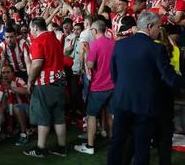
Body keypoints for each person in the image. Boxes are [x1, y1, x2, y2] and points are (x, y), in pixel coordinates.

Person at [107, 11, 185, 165]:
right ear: (150, 27)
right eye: (158, 26)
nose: (159, 30)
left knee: (117, 143)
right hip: (144, 106)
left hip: (122, 101)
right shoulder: (156, 49)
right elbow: (170, 79)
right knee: (141, 147)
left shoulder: (120, 44)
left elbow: (114, 74)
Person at [23, 17, 66, 158]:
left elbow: (37, 64)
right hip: (59, 82)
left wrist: (29, 81)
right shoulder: (55, 39)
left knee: (43, 117)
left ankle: (40, 149)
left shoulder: (38, 41)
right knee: (59, 117)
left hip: (45, 84)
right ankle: (61, 147)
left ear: (35, 27)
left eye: (31, 28)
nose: (31, 31)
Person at [74, 20, 115, 155]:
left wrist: (87, 53)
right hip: (113, 85)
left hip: (98, 86)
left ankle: (90, 146)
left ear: (95, 31)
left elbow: (90, 65)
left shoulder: (95, 44)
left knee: (91, 115)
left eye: (91, 30)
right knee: (111, 114)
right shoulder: (113, 42)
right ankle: (114, 142)